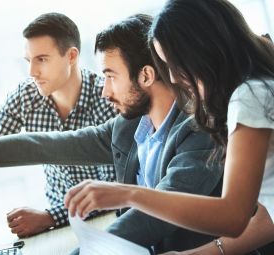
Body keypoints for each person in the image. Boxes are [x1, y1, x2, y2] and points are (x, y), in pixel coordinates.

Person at [0, 14, 225, 252]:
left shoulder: (199, 134)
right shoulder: (131, 125)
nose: (105, 90)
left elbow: (153, 216)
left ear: (145, 75)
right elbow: (46, 145)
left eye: (111, 76)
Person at [64, 0, 274, 253]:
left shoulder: (250, 97)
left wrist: (128, 194)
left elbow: (232, 216)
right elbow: (268, 214)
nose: (173, 77)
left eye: (173, 63)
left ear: (202, 50)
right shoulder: (258, 88)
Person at [0, 12, 117, 237]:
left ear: (71, 56)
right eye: (29, 60)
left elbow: (113, 189)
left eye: (42, 59)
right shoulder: (26, 96)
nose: (32, 72)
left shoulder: (108, 97)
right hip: (60, 229)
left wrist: (50, 216)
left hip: (107, 222)